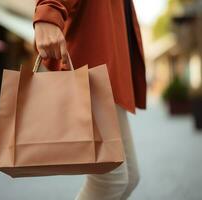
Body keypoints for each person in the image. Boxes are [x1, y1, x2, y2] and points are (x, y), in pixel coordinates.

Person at [33, 0, 147, 199]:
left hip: (111, 64)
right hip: (95, 60)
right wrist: (49, 10)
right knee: (111, 181)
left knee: (129, 178)